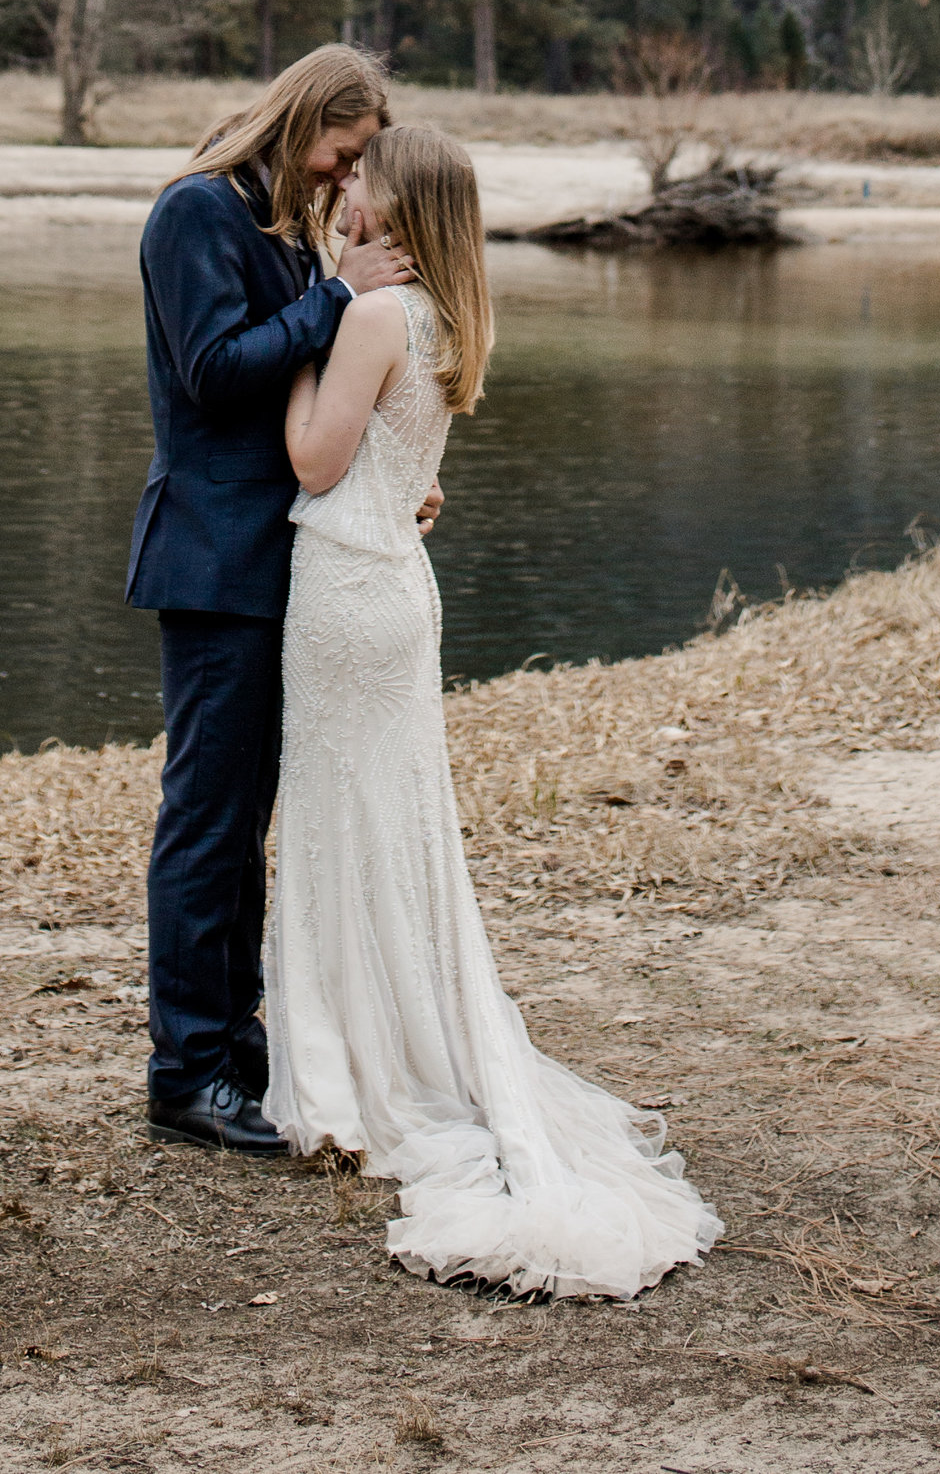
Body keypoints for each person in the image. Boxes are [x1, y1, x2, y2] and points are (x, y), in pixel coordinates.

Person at [265, 122, 722, 1298]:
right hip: (397, 592)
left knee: (336, 819)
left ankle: (353, 1069)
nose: (343, 187)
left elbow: (315, 459)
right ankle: (397, 1041)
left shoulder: (367, 314)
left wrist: (312, 326)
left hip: (346, 593)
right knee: (397, 824)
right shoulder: (448, 319)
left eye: (359, 178)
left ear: (396, 204)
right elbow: (408, 466)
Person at [127, 42, 421, 1155]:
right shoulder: (193, 214)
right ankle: (184, 1072)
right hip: (212, 560)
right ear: (304, 121)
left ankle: (235, 1048)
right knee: (206, 821)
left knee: (245, 819)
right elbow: (213, 371)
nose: (339, 180)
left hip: (278, 557)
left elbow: (301, 393)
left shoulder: (274, 224)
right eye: (339, 155)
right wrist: (340, 295)